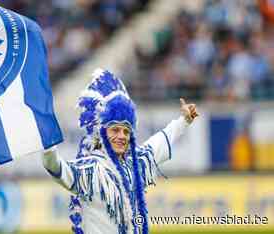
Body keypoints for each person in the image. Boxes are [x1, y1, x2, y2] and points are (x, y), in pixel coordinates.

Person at [42, 68, 198, 234]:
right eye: (114, 130)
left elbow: (161, 140)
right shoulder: (90, 169)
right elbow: (55, 167)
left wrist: (184, 120)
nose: (121, 136)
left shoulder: (137, 162)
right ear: (102, 133)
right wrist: (49, 146)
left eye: (126, 131)